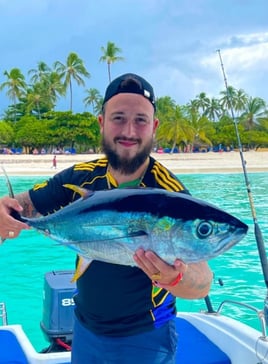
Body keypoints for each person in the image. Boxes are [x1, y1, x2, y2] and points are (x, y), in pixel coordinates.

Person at [0, 73, 212, 364]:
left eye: (140, 120)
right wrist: (4, 213)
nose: (129, 130)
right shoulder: (81, 176)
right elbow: (21, 207)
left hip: (146, 339)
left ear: (154, 127)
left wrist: (176, 277)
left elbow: (202, 283)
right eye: (118, 118)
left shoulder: (170, 196)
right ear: (102, 122)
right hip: (85, 329)